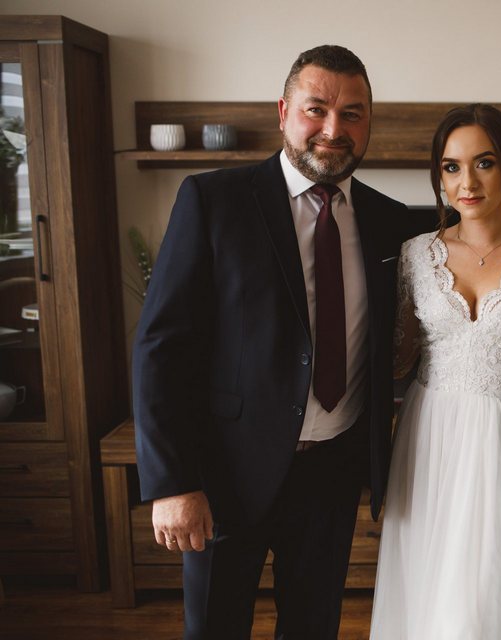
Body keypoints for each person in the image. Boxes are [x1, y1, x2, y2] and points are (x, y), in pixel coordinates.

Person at [132, 45, 410, 639]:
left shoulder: (392, 221)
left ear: (369, 123)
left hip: (333, 475)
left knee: (314, 628)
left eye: (352, 114)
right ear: (284, 112)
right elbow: (161, 349)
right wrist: (173, 483)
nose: (333, 129)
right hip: (224, 474)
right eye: (316, 109)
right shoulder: (213, 200)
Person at [369, 104, 501, 640]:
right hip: (428, 438)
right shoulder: (414, 255)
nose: (467, 182)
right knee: (433, 588)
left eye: (483, 163)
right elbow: (396, 358)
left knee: (493, 590)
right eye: (451, 167)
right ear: (439, 176)